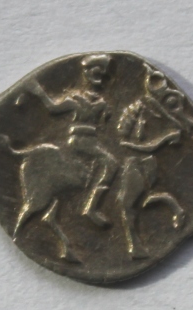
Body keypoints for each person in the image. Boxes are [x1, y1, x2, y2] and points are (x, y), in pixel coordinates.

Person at [24, 54, 119, 227]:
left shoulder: (102, 103)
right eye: (96, 73)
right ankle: (91, 207)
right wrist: (38, 91)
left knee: (106, 164)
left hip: (92, 141)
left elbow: (104, 125)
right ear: (87, 74)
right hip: (80, 141)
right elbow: (53, 108)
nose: (100, 78)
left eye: (102, 74)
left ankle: (91, 203)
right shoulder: (77, 100)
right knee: (111, 163)